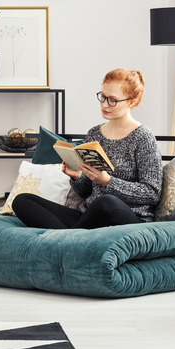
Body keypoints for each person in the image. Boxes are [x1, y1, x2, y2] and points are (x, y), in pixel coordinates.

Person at [12, 68, 162, 229]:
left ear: (131, 102)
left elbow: (152, 193)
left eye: (112, 100)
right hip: (88, 217)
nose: (105, 104)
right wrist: (77, 176)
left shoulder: (143, 137)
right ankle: (71, 238)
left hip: (127, 217)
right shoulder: (94, 133)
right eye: (103, 97)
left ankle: (69, 236)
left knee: (106, 201)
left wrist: (108, 181)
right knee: (22, 200)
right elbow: (86, 192)